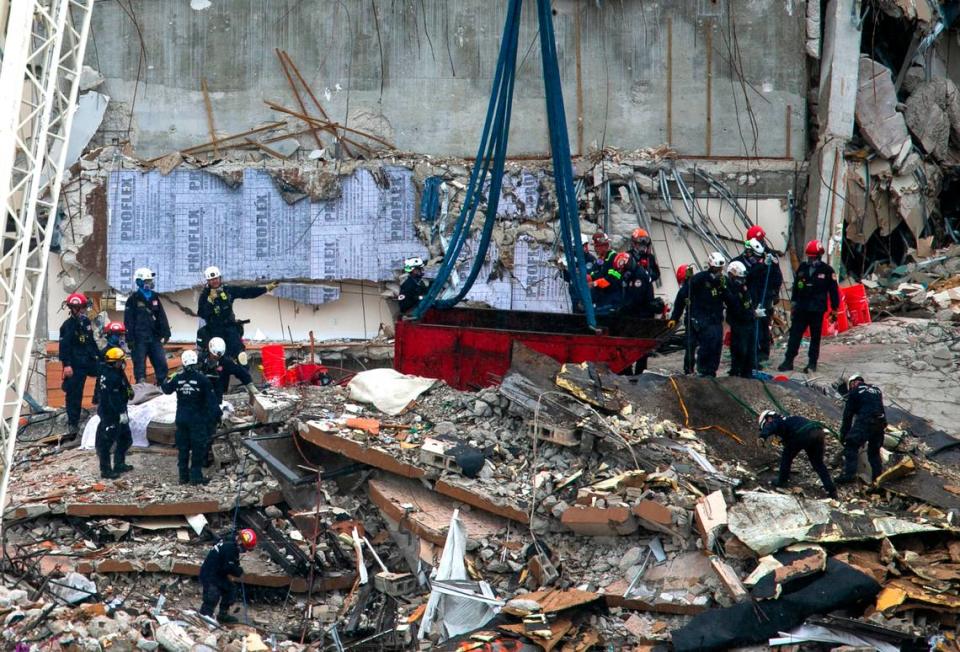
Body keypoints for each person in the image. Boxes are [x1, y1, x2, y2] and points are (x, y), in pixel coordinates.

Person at [778, 240, 839, 373]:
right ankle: (788, 361)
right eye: (809, 257)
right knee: (795, 335)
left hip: (817, 310)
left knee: (815, 337)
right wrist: (793, 304)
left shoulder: (827, 271)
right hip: (801, 308)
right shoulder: (803, 268)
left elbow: (834, 291)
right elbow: (796, 287)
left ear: (819, 256)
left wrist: (835, 309)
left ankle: (812, 363)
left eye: (813, 257)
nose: (811, 259)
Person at [161, 350, 221, 485]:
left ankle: (183, 476)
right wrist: (218, 416)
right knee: (197, 447)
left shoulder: (177, 378)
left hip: (181, 418)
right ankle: (196, 476)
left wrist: (166, 378)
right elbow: (212, 401)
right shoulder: (203, 380)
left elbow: (166, 389)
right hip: (197, 419)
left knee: (183, 447)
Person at [197, 266, 278, 359]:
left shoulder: (228, 290)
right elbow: (201, 313)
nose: (214, 281)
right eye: (211, 279)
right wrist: (209, 301)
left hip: (230, 327)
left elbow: (246, 292)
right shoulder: (204, 295)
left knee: (238, 352)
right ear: (207, 281)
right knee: (219, 356)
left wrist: (266, 289)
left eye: (216, 278)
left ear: (220, 278)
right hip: (214, 330)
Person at [668, 252, 727, 377]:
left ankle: (711, 372)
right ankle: (696, 371)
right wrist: (675, 317)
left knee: (716, 346)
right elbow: (682, 296)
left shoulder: (722, 283)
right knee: (698, 346)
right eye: (717, 268)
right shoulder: (699, 279)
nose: (719, 271)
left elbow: (730, 299)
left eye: (720, 269)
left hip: (715, 319)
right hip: (701, 320)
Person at [758, 410, 837, 499]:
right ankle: (831, 490)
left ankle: (782, 480)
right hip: (817, 431)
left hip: (803, 433)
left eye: (765, 425)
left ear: (768, 418)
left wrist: (762, 436)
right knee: (818, 464)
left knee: (786, 457)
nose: (767, 426)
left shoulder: (776, 420)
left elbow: (772, 426)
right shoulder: (788, 419)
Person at [59, 292, 101, 438]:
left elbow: (91, 342)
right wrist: (67, 365)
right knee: (74, 394)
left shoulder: (86, 322)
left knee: (104, 372)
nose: (84, 310)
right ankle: (73, 423)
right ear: (75, 308)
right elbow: (64, 347)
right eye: (82, 308)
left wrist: (100, 357)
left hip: (88, 360)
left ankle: (98, 401)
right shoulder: (67, 326)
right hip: (75, 364)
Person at [735, 239, 783, 366]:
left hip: (763, 299)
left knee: (763, 327)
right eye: (755, 256)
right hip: (746, 301)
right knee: (747, 329)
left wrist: (774, 266)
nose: (757, 259)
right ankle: (747, 354)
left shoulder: (763, 263)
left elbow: (776, 278)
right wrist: (763, 266)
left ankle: (762, 353)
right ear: (748, 252)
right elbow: (748, 276)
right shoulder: (738, 263)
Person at [199, 528, 257, 624]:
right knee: (212, 597)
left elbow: (230, 562)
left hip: (218, 572)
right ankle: (204, 618)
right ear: (241, 543)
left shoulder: (230, 540)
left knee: (230, 590)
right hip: (210, 574)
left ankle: (223, 614)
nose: (245, 551)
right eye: (245, 548)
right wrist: (239, 571)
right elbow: (229, 567)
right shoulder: (230, 548)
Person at [837, 373, 887, 484]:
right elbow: (878, 407)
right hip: (880, 423)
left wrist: (844, 435)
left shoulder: (855, 391)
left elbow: (848, 416)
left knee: (851, 445)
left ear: (853, 383)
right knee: (874, 453)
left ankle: (849, 475)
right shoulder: (876, 390)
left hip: (866, 421)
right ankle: (877, 480)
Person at [124, 267, 170, 384]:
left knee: (161, 362)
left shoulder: (154, 297)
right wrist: (130, 339)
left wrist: (166, 332)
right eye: (146, 281)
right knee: (139, 365)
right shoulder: (133, 299)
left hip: (154, 337)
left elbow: (161, 315)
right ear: (139, 282)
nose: (149, 283)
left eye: (150, 281)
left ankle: (163, 383)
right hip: (139, 339)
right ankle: (141, 384)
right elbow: (128, 320)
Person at [95, 347, 135, 479]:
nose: (122, 362)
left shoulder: (114, 372)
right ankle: (106, 470)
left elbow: (124, 386)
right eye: (120, 360)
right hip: (111, 413)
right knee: (106, 442)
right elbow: (113, 398)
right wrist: (121, 413)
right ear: (115, 362)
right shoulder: (111, 376)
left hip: (118, 411)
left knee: (125, 438)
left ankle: (119, 463)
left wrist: (129, 391)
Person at [724, 261, 756, 378]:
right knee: (739, 349)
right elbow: (733, 305)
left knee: (749, 350)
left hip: (749, 321)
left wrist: (753, 312)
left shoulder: (743, 288)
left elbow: (748, 303)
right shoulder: (730, 289)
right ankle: (736, 370)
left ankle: (746, 372)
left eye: (742, 279)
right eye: (739, 278)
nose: (741, 281)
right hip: (739, 323)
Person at [201, 337, 256, 403]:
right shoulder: (201, 359)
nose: (216, 359)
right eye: (214, 357)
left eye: (218, 357)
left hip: (219, 393)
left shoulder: (226, 362)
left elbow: (241, 372)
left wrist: (250, 386)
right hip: (202, 392)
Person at [672, 264, 696, 374]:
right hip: (701, 320)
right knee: (694, 346)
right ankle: (701, 371)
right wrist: (674, 318)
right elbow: (679, 306)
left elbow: (678, 307)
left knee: (690, 345)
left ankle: (689, 370)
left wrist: (674, 319)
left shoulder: (685, 290)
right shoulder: (699, 285)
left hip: (694, 320)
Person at [622, 254, 657, 318]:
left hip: (643, 314)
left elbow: (637, 297)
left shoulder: (639, 275)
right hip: (639, 312)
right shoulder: (633, 274)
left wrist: (624, 307)